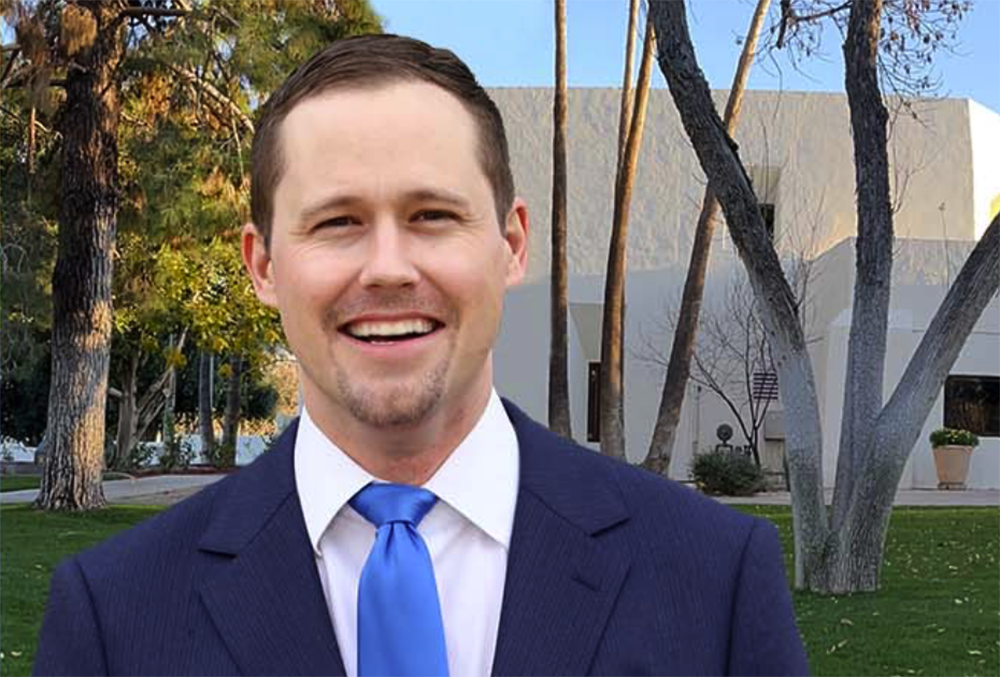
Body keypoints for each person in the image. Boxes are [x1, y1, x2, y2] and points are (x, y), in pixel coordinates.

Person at [32, 34, 811, 677]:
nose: (388, 268)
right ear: (263, 266)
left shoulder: (714, 578)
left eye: (432, 215)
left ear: (511, 244)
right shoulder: (114, 616)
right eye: (337, 221)